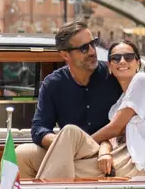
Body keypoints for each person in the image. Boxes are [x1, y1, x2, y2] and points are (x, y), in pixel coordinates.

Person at [33, 39, 145, 181]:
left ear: (137, 63)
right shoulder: (119, 104)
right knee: (31, 156)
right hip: (118, 158)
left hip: (136, 164)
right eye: (116, 58)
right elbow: (112, 137)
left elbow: (115, 128)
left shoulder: (142, 80)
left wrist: (81, 144)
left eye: (129, 57)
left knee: (67, 142)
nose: (122, 61)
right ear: (110, 66)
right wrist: (104, 150)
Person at [15, 20, 123, 178]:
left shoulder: (113, 76)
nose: (92, 51)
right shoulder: (53, 84)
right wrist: (63, 144)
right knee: (22, 154)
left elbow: (132, 115)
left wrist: (104, 146)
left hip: (106, 150)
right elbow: (39, 128)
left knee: (70, 133)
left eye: (93, 43)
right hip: (70, 153)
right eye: (84, 48)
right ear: (65, 55)